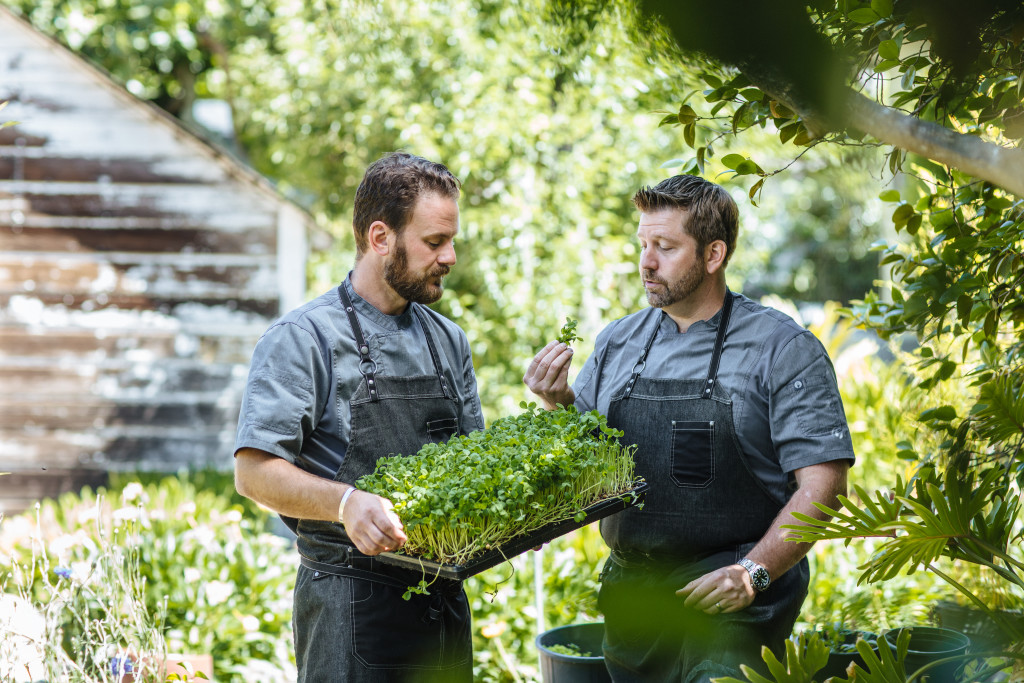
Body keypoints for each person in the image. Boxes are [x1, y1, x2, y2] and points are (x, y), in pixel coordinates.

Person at [524, 174, 854, 682]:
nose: (646, 262)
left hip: (732, 595)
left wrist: (754, 573)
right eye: (643, 244)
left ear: (713, 254)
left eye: (665, 247)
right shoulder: (618, 342)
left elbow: (825, 485)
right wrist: (558, 402)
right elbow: (594, 463)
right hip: (637, 597)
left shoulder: (782, 348)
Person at [234, 152, 484, 683]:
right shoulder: (304, 340)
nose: (451, 257)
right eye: (435, 242)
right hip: (351, 611)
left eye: (451, 240)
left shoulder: (448, 341)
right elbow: (253, 471)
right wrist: (345, 503)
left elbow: (477, 464)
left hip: (442, 609)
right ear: (379, 237)